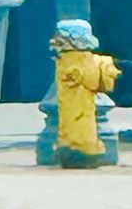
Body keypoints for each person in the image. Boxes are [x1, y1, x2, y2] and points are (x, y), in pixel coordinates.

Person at [51, 16, 119, 166]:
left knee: (76, 125)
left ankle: (78, 149)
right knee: (79, 123)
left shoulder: (71, 61)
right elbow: (96, 79)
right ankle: (83, 149)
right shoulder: (76, 60)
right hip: (80, 109)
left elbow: (89, 77)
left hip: (76, 111)